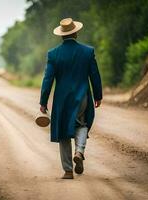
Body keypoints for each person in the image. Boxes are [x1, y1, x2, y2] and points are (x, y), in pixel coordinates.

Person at [39, 18, 103, 179]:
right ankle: (79, 151)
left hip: (62, 100)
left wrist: (43, 102)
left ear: (61, 35)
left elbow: (48, 79)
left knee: (63, 132)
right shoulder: (88, 51)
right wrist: (98, 95)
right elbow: (94, 75)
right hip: (82, 96)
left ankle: (68, 170)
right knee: (82, 124)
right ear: (76, 32)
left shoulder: (53, 54)